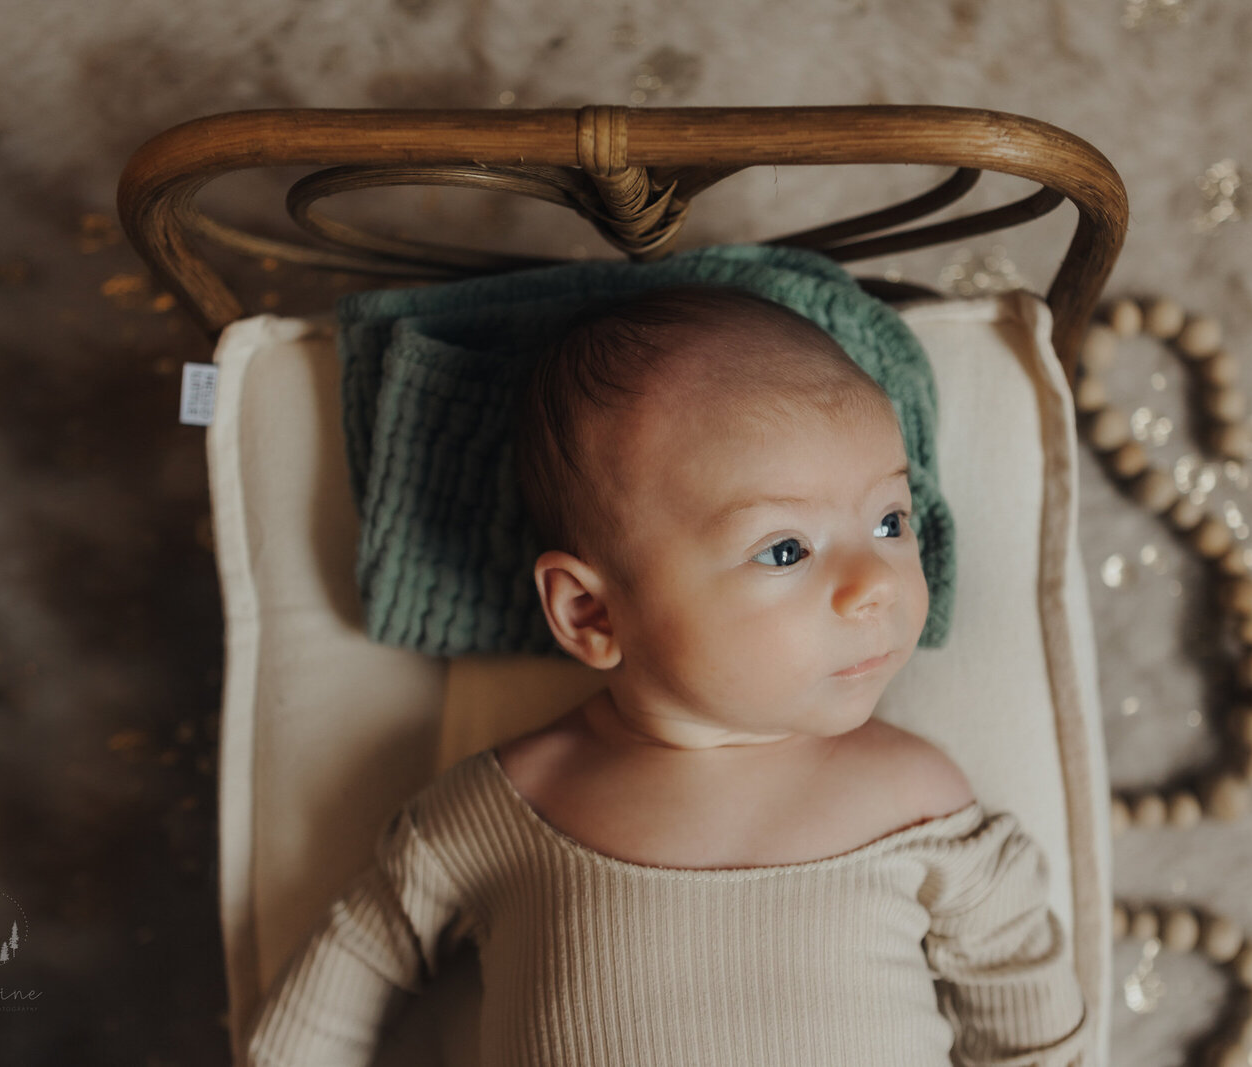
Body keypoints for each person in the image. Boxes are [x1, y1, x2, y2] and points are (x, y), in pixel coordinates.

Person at [245, 285, 1092, 1066]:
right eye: (786, 548)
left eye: (890, 519)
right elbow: (358, 953)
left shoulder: (919, 801)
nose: (875, 583)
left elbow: (1032, 1016)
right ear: (592, 613)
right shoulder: (516, 802)